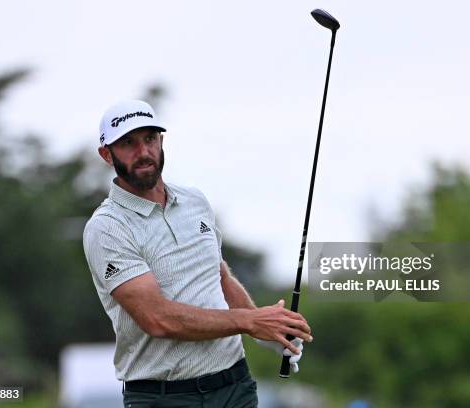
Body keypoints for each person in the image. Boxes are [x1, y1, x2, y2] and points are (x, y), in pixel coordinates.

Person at [83, 100, 313, 407]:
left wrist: (267, 332)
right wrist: (249, 321)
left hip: (234, 387)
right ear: (106, 154)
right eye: (128, 143)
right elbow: (157, 319)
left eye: (150, 139)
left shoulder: (195, 201)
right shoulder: (107, 227)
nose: (143, 152)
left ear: (161, 141)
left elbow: (218, 276)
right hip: (162, 397)